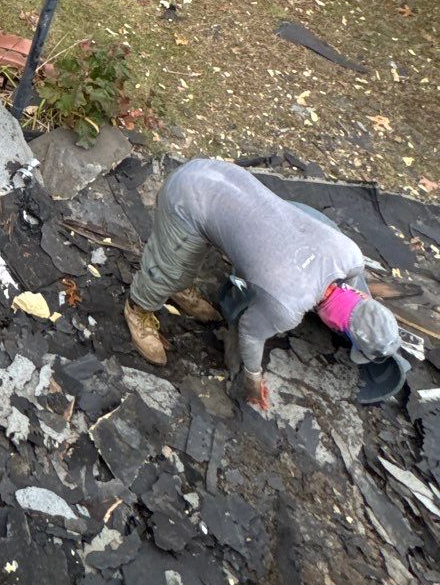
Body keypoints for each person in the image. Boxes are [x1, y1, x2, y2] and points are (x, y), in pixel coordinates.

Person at [124, 158, 402, 412]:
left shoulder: (350, 253)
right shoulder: (288, 306)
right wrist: (253, 381)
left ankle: (180, 285)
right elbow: (249, 332)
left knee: (186, 261)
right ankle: (137, 309)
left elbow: (301, 214)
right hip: (187, 197)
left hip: (223, 176)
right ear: (336, 324)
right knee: (166, 270)